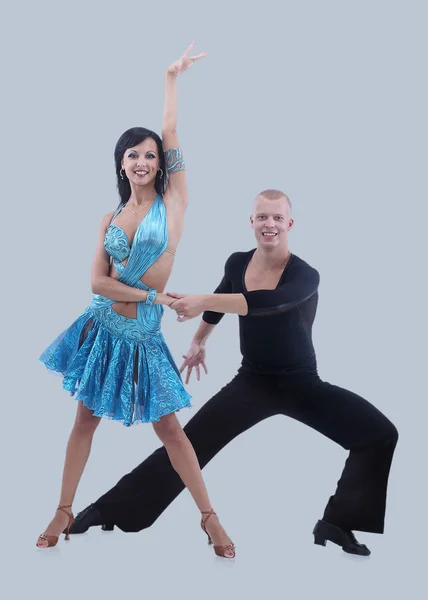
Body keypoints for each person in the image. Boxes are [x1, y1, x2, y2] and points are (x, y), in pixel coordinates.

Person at [69, 189, 398, 556]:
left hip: (301, 384)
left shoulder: (305, 276)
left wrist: (203, 302)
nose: (269, 224)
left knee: (379, 435)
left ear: (289, 224)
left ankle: (337, 522)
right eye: (262, 217)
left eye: (276, 218)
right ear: (252, 222)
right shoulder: (237, 263)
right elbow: (222, 297)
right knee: (188, 444)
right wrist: (199, 341)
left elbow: (267, 303)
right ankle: (111, 509)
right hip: (252, 382)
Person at [36, 42, 235, 559]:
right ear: (121, 164)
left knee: (170, 429)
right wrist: (151, 293)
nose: (143, 160)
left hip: (143, 337)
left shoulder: (175, 203)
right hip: (101, 328)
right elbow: (97, 284)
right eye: (134, 154)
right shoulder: (108, 219)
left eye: (150, 154)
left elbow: (171, 133)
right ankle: (63, 509)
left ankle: (210, 518)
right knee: (84, 421)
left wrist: (171, 78)